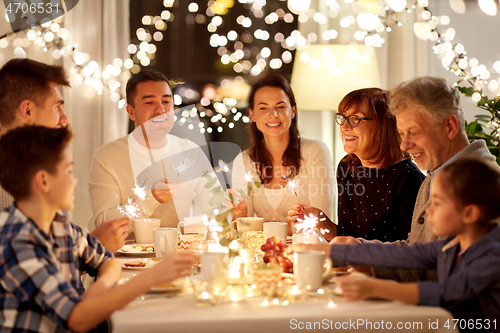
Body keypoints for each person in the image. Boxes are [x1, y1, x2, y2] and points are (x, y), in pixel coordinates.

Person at [0, 126, 196, 332]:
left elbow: (107, 260)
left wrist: (94, 293)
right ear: (43, 181)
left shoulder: (58, 224)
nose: (74, 180)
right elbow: (77, 319)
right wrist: (154, 275)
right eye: (68, 171)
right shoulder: (15, 240)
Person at [328, 76, 500, 282]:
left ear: (450, 127)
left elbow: (447, 274)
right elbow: (417, 249)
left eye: (414, 132)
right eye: (401, 133)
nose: (404, 145)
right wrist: (361, 250)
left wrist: (369, 267)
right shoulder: (439, 171)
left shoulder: (480, 184)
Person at [294, 160, 500, 328]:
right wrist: (329, 251)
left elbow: (446, 293)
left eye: (437, 202)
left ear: (470, 213)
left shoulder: (492, 256)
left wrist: (376, 288)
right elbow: (405, 256)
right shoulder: (452, 244)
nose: (428, 210)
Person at [0, 58, 129, 252]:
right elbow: (29, 266)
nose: (64, 118)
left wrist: (89, 246)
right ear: (28, 110)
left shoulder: (39, 161)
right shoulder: (14, 177)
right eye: (56, 107)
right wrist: (95, 246)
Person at [288, 88, 424, 242]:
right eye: (343, 118)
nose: (344, 127)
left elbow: (412, 249)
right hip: (351, 264)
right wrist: (321, 220)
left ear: (382, 125)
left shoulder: (407, 178)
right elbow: (346, 238)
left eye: (355, 119)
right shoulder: (347, 166)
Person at [89, 69, 213, 229]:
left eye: (166, 102)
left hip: (181, 252)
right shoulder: (107, 157)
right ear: (131, 111)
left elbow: (214, 208)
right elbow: (103, 223)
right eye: (149, 102)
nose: (160, 109)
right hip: (123, 253)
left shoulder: (190, 151)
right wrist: (150, 198)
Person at [231, 74, 335, 235]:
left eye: (280, 106)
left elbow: (322, 224)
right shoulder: (244, 161)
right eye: (263, 108)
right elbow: (242, 232)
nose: (273, 114)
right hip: (263, 256)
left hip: (306, 253)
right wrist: (239, 214)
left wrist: (263, 229)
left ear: (292, 111)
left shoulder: (315, 151)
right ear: (252, 115)